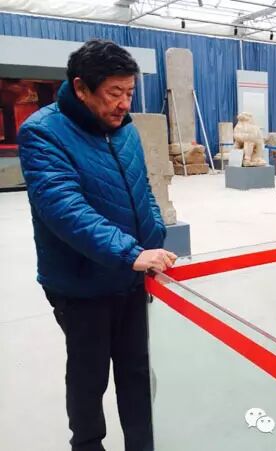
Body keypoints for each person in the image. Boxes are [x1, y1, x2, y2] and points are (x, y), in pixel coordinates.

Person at [18, 39, 177, 451]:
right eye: (114, 93)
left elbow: (144, 192)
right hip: (81, 283)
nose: (124, 104)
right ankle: (87, 444)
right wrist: (131, 252)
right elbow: (63, 208)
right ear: (81, 88)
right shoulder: (42, 132)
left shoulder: (125, 130)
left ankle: (142, 443)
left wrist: (154, 237)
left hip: (133, 276)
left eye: (130, 92)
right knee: (89, 375)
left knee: (137, 369)